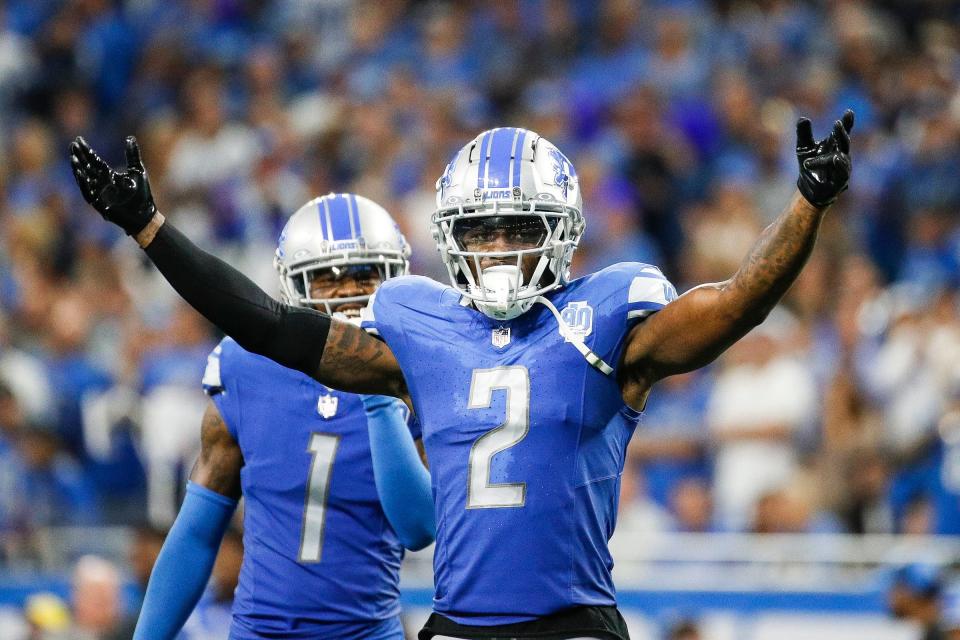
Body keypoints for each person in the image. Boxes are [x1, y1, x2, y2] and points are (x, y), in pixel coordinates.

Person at [71, 114, 854, 639]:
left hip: (572, 625)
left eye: (520, 227)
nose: (503, 248)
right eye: (484, 230)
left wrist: (806, 204)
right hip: (454, 626)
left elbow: (736, 304)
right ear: (451, 238)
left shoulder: (607, 313)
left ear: (562, 230)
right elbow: (268, 324)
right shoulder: (420, 323)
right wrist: (151, 230)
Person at [130, 194, 435, 639]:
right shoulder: (244, 367)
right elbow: (197, 532)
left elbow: (419, 527)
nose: (348, 292)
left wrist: (378, 396)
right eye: (326, 279)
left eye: (364, 274)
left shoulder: (417, 373)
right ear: (294, 285)